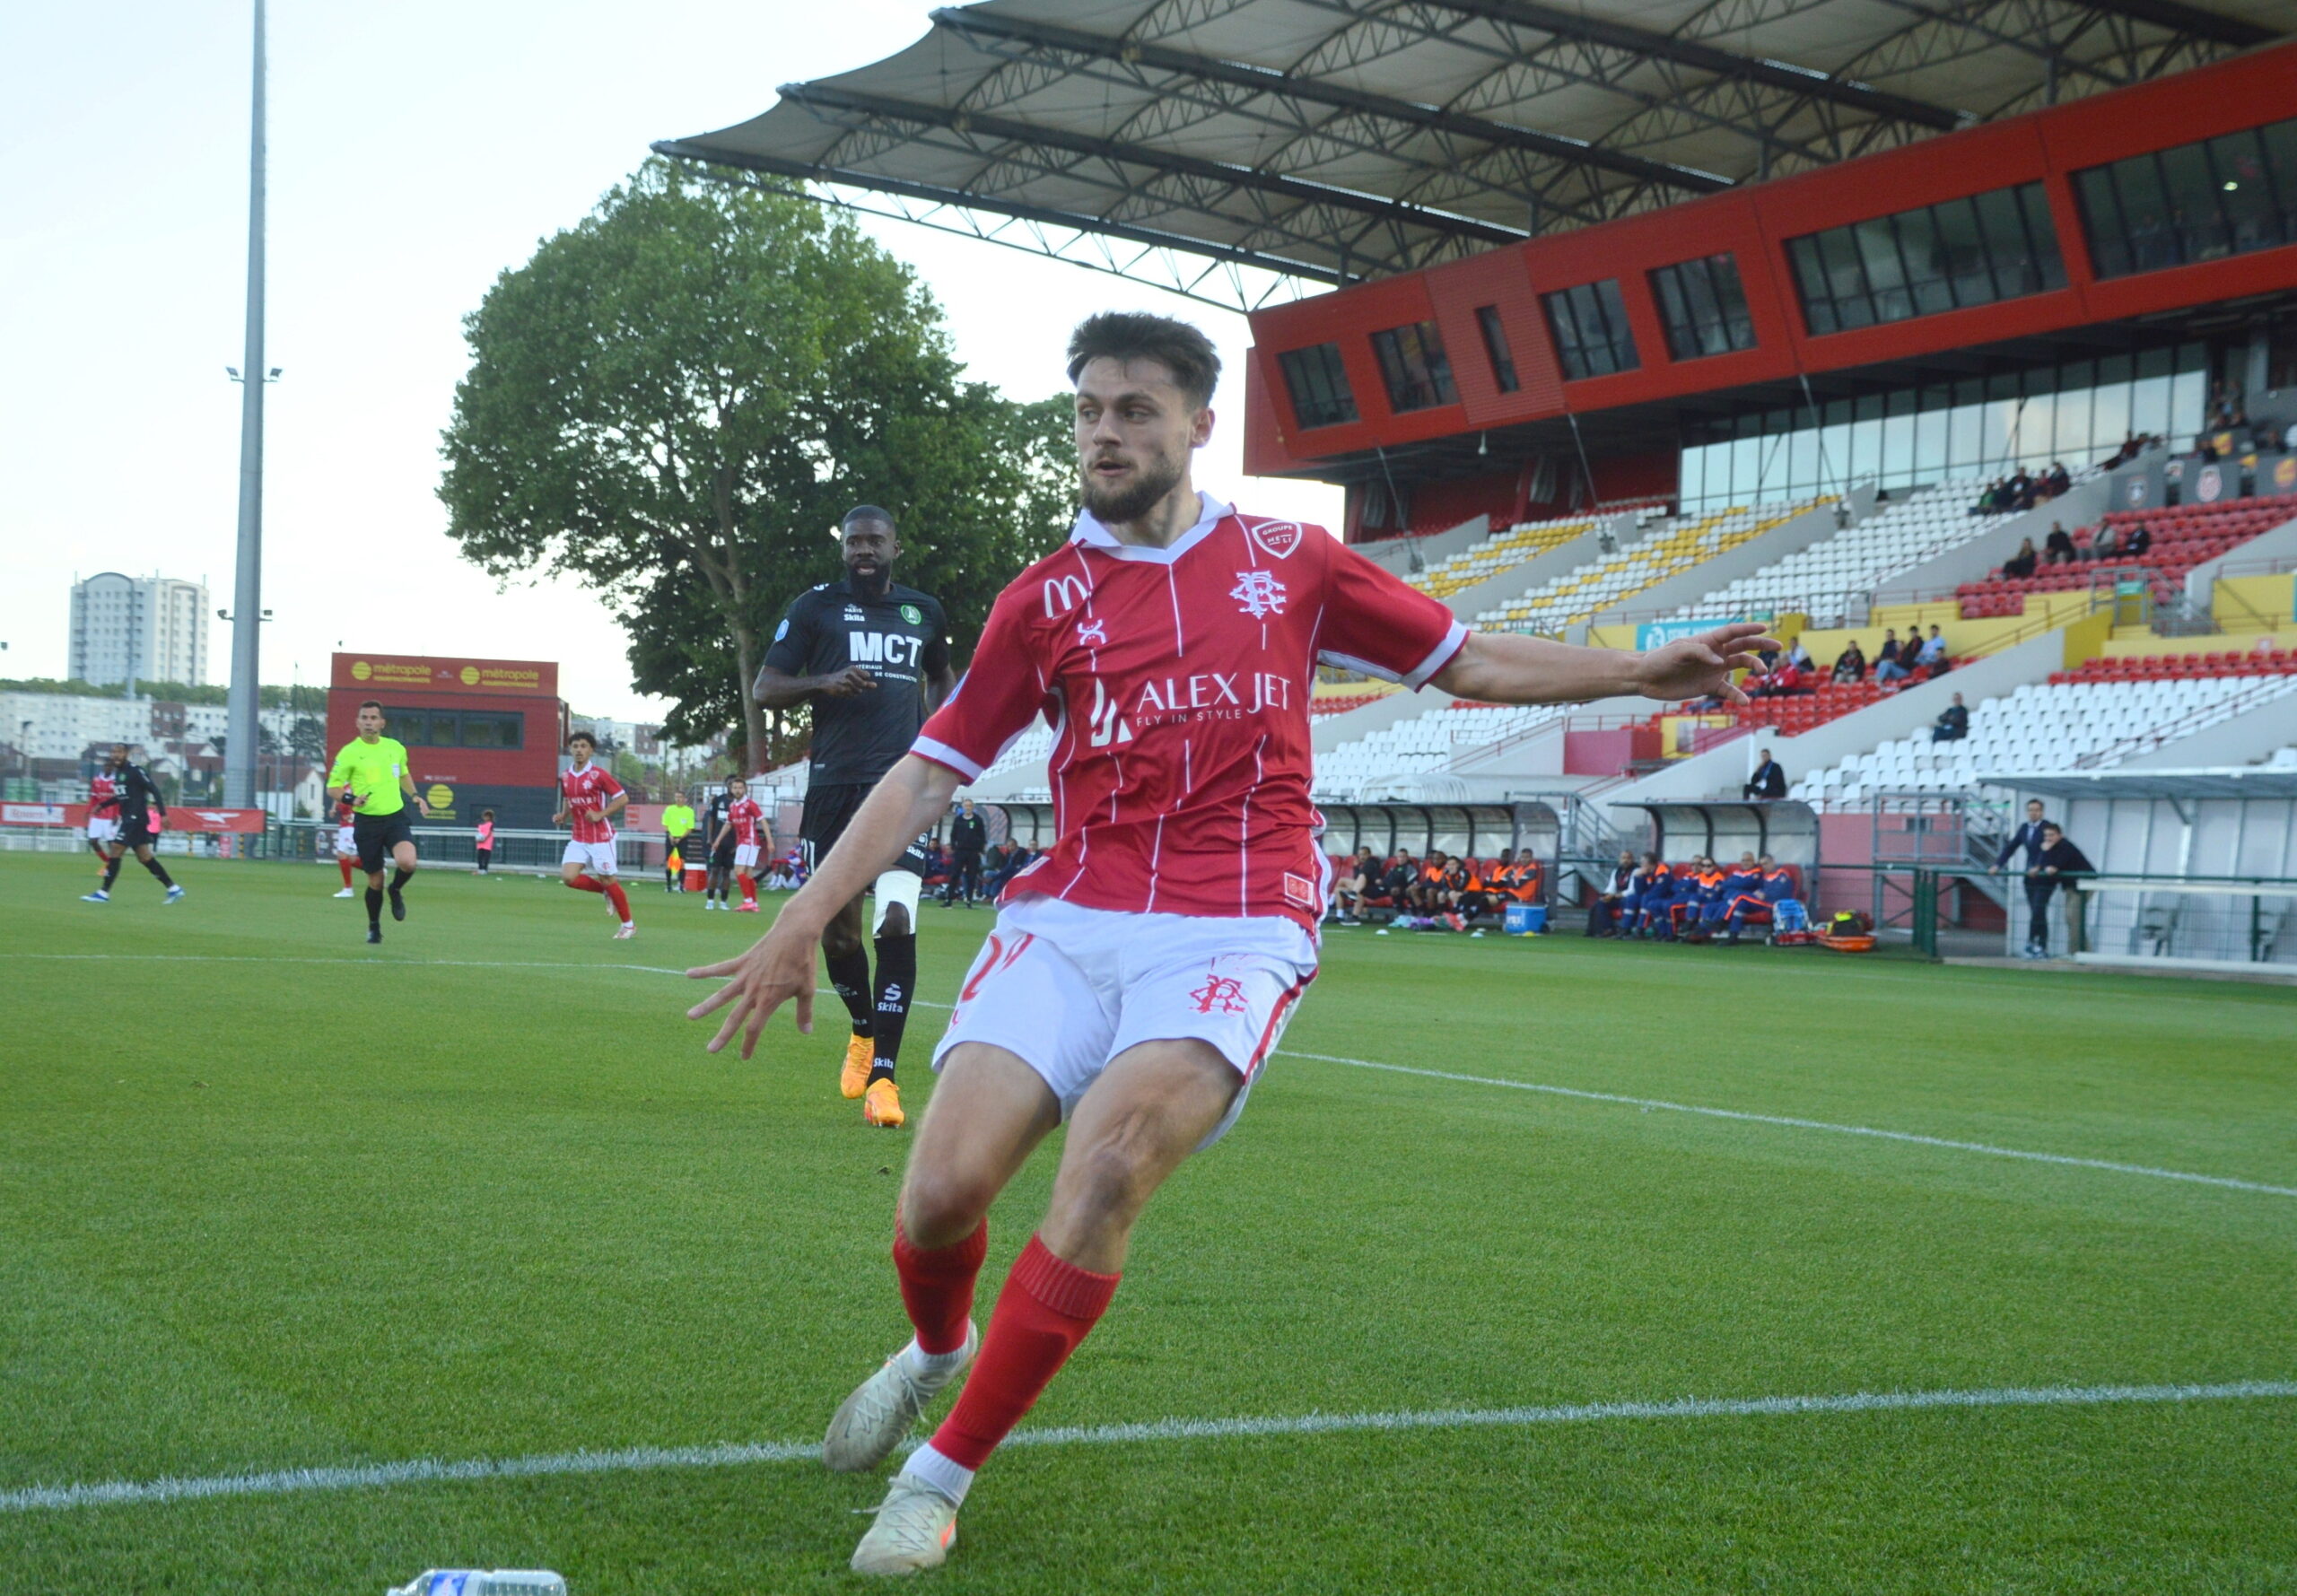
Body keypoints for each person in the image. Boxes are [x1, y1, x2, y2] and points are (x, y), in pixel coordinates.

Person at [682, 310, 1777, 1576]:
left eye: (1133, 410)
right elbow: (932, 773)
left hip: (1238, 918)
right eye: (1088, 411)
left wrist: (1636, 673)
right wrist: (799, 915)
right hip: (1072, 914)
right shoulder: (1042, 599)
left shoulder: (1291, 560)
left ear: (1199, 424)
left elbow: (1466, 660)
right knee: (937, 1200)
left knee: (1106, 1173)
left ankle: (940, 1475)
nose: (1104, 433)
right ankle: (936, 1350)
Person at [753, 504, 959, 1129]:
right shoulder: (814, 607)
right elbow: (766, 686)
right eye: (853, 542)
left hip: (901, 788)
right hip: (834, 791)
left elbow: (942, 677)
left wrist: (937, 733)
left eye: (874, 541)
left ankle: (885, 1080)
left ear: (896, 547)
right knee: (840, 936)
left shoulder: (923, 611)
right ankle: (863, 1032)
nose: (863, 550)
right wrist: (824, 681)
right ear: (842, 548)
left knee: (896, 921)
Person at [327, 702, 427, 943]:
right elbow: (333, 787)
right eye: (364, 717)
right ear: (357, 722)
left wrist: (415, 796)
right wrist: (351, 799)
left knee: (408, 862)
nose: (369, 722)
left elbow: (403, 773)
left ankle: (396, 889)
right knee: (376, 881)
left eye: (373, 718)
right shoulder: (349, 752)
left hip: (395, 818)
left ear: (382, 723)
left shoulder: (395, 748)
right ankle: (374, 925)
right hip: (367, 823)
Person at [79, 745, 184, 905]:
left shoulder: (135, 771)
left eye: (119, 752)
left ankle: (103, 892)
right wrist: (103, 805)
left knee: (116, 848)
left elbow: (154, 790)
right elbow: (122, 796)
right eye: (113, 752)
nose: (116, 755)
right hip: (130, 818)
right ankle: (173, 888)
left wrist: (163, 814)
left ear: (126, 754)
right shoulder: (119, 773)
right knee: (145, 857)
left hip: (135, 819)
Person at [555, 730, 635, 939]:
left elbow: (622, 798)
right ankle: (605, 892)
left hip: (601, 836)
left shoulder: (598, 774)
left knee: (608, 878)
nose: (579, 750)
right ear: (570, 750)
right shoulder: (566, 776)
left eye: (583, 746)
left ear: (591, 750)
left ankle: (628, 925)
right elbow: (569, 799)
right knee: (568, 877)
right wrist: (563, 815)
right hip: (579, 836)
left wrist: (601, 814)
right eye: (575, 746)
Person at [2023, 822, 2095, 959]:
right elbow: (2045, 865)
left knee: (2073, 918)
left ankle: (2076, 954)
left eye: (2051, 835)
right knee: (2071, 919)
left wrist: (2044, 853)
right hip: (2071, 887)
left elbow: (2052, 868)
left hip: (2083, 885)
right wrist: (2040, 864)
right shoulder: (2054, 848)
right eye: (2046, 835)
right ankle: (2084, 953)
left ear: (2060, 835)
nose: (2048, 838)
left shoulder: (2065, 846)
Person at [712, 778, 772, 911]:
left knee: (738, 871)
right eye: (735, 788)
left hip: (749, 841)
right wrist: (718, 840)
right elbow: (728, 824)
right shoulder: (732, 806)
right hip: (743, 842)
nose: (738, 790)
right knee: (748, 874)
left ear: (745, 789)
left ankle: (747, 901)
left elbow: (763, 821)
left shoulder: (750, 804)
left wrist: (770, 841)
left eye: (740, 788)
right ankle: (754, 904)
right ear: (731, 789)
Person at [702, 780, 740, 911]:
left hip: (731, 843)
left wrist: (737, 843)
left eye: (736, 786)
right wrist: (710, 838)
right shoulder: (718, 800)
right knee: (714, 870)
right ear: (727, 786)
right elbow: (711, 819)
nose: (733, 788)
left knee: (727, 872)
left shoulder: (740, 803)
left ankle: (724, 901)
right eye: (731, 785)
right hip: (717, 842)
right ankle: (710, 900)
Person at [944, 798, 988, 907]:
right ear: (963, 807)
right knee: (955, 875)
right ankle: (949, 899)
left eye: (970, 806)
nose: (968, 808)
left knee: (971, 876)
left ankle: (969, 900)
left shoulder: (977, 820)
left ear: (972, 807)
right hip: (960, 851)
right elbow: (953, 834)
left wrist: (979, 849)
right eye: (966, 806)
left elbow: (982, 836)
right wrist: (954, 846)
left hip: (973, 852)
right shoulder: (958, 819)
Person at [84, 761, 120, 888]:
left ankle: (111, 867)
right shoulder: (96, 780)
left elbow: (118, 800)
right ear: (103, 767)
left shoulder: (116, 781)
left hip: (110, 816)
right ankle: (107, 862)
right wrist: (88, 811)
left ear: (113, 768)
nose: (108, 768)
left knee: (112, 844)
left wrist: (117, 814)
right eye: (106, 766)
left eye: (110, 766)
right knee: (93, 841)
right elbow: (93, 798)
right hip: (97, 815)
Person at [1585, 850, 1636, 937]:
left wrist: (1614, 896)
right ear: (1620, 860)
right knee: (1600, 903)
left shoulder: (1635, 871)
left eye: (1628, 858)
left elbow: (1632, 890)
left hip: (1628, 898)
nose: (1626, 860)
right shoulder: (1616, 871)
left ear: (1632, 860)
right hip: (1616, 897)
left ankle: (1624, 929)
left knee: (1624, 901)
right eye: (1623, 858)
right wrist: (1607, 895)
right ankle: (1607, 928)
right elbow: (1611, 887)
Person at [1996, 798, 2050, 875]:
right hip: (2029, 869)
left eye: (2037, 810)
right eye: (2030, 810)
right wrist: (1998, 865)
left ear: (2042, 812)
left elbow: (2050, 850)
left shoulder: (2048, 827)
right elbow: (2011, 847)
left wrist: (2038, 866)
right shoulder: (2024, 827)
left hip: (2045, 871)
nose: (2033, 813)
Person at [659, 790, 696, 894]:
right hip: (671, 837)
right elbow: (665, 824)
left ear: (684, 799)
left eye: (680, 797)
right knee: (669, 862)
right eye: (676, 797)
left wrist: (680, 838)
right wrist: (670, 835)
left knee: (682, 862)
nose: (678, 799)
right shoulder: (669, 809)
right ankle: (668, 885)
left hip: (682, 839)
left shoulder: (689, 811)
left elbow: (690, 828)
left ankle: (681, 885)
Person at [330, 791, 361, 897]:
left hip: (350, 827)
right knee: (351, 859)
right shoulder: (342, 787)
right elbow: (337, 795)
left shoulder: (354, 785)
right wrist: (333, 808)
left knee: (342, 855)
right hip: (344, 826)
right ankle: (377, 870)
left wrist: (353, 816)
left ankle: (348, 889)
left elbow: (361, 801)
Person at [474, 808, 497, 877]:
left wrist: (484, 838)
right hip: (480, 843)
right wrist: (478, 838)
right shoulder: (481, 824)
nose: (485, 818)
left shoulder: (491, 824)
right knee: (479, 857)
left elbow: (489, 832)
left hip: (487, 844)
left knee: (486, 857)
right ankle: (480, 869)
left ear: (490, 817)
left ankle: (485, 869)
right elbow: (479, 832)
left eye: (487, 816)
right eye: (485, 816)